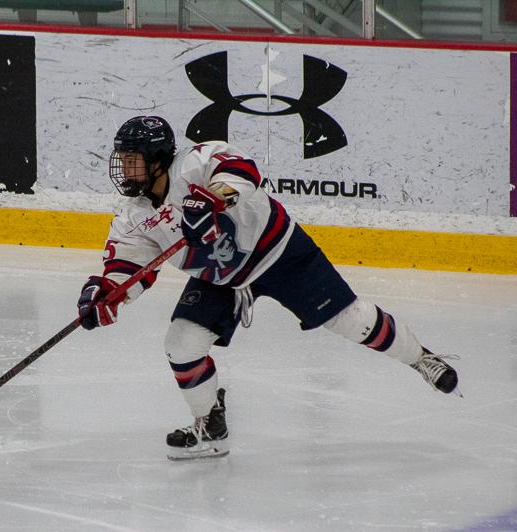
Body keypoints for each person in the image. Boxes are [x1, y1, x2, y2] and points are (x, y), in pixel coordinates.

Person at [76, 115, 460, 461]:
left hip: (280, 253)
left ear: (157, 157)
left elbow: (240, 171)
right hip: (223, 280)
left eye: (132, 158)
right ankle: (210, 427)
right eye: (122, 159)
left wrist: (213, 199)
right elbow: (128, 266)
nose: (124, 167)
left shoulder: (196, 161)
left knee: (352, 319)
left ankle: (420, 358)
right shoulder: (134, 216)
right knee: (181, 342)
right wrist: (106, 294)